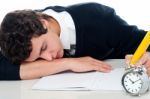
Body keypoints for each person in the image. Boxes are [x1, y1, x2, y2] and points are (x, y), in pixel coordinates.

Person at [0, 2, 150, 80]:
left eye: (44, 48)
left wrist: (147, 57)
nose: (49, 58)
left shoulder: (99, 19)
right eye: (38, 59)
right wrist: (67, 63)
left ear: (43, 23)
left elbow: (143, 41)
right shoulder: (18, 36)